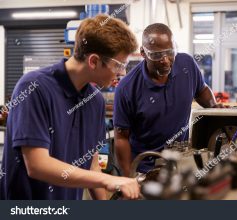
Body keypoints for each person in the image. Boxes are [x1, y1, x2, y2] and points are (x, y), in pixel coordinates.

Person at [0, 14, 140, 200]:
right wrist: (105, 180)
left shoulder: (95, 100)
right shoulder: (34, 87)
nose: (122, 73)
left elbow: (92, 163)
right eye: (119, 65)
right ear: (94, 61)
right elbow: (36, 165)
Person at [113, 23, 222, 176]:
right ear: (143, 53)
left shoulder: (187, 65)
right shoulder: (126, 88)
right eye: (157, 55)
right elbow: (121, 138)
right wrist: (128, 177)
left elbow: (202, 89)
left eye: (170, 52)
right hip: (146, 170)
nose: (165, 60)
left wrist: (214, 107)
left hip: (182, 162)